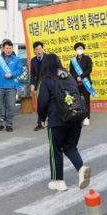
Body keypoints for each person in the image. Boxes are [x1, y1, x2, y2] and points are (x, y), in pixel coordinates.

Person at [37, 53, 91, 191]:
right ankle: (81, 169)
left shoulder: (47, 80)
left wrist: (42, 118)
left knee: (55, 150)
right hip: (75, 118)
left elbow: (42, 102)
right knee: (70, 147)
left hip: (57, 120)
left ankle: (59, 182)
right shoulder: (69, 77)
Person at [0, 39, 23, 132]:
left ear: (12, 49)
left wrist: (12, 74)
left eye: (10, 48)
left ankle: (9, 124)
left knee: (11, 106)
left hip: (11, 86)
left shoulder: (16, 59)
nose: (8, 50)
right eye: (6, 48)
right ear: (3, 48)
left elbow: (20, 70)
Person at [69, 42, 94, 126]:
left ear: (83, 49)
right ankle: (80, 117)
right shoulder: (73, 60)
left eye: (80, 48)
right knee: (78, 100)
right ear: (75, 50)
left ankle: (87, 117)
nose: (79, 50)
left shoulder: (87, 58)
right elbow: (71, 71)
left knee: (86, 100)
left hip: (86, 82)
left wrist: (81, 76)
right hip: (76, 83)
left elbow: (89, 69)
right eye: (77, 49)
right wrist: (77, 77)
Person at [30, 41, 46, 131]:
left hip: (48, 84)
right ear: (34, 51)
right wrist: (32, 84)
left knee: (50, 103)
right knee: (40, 104)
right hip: (38, 85)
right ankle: (40, 123)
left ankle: (51, 120)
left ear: (43, 49)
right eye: (37, 50)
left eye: (40, 49)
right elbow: (32, 74)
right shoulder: (33, 60)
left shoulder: (48, 58)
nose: (39, 51)